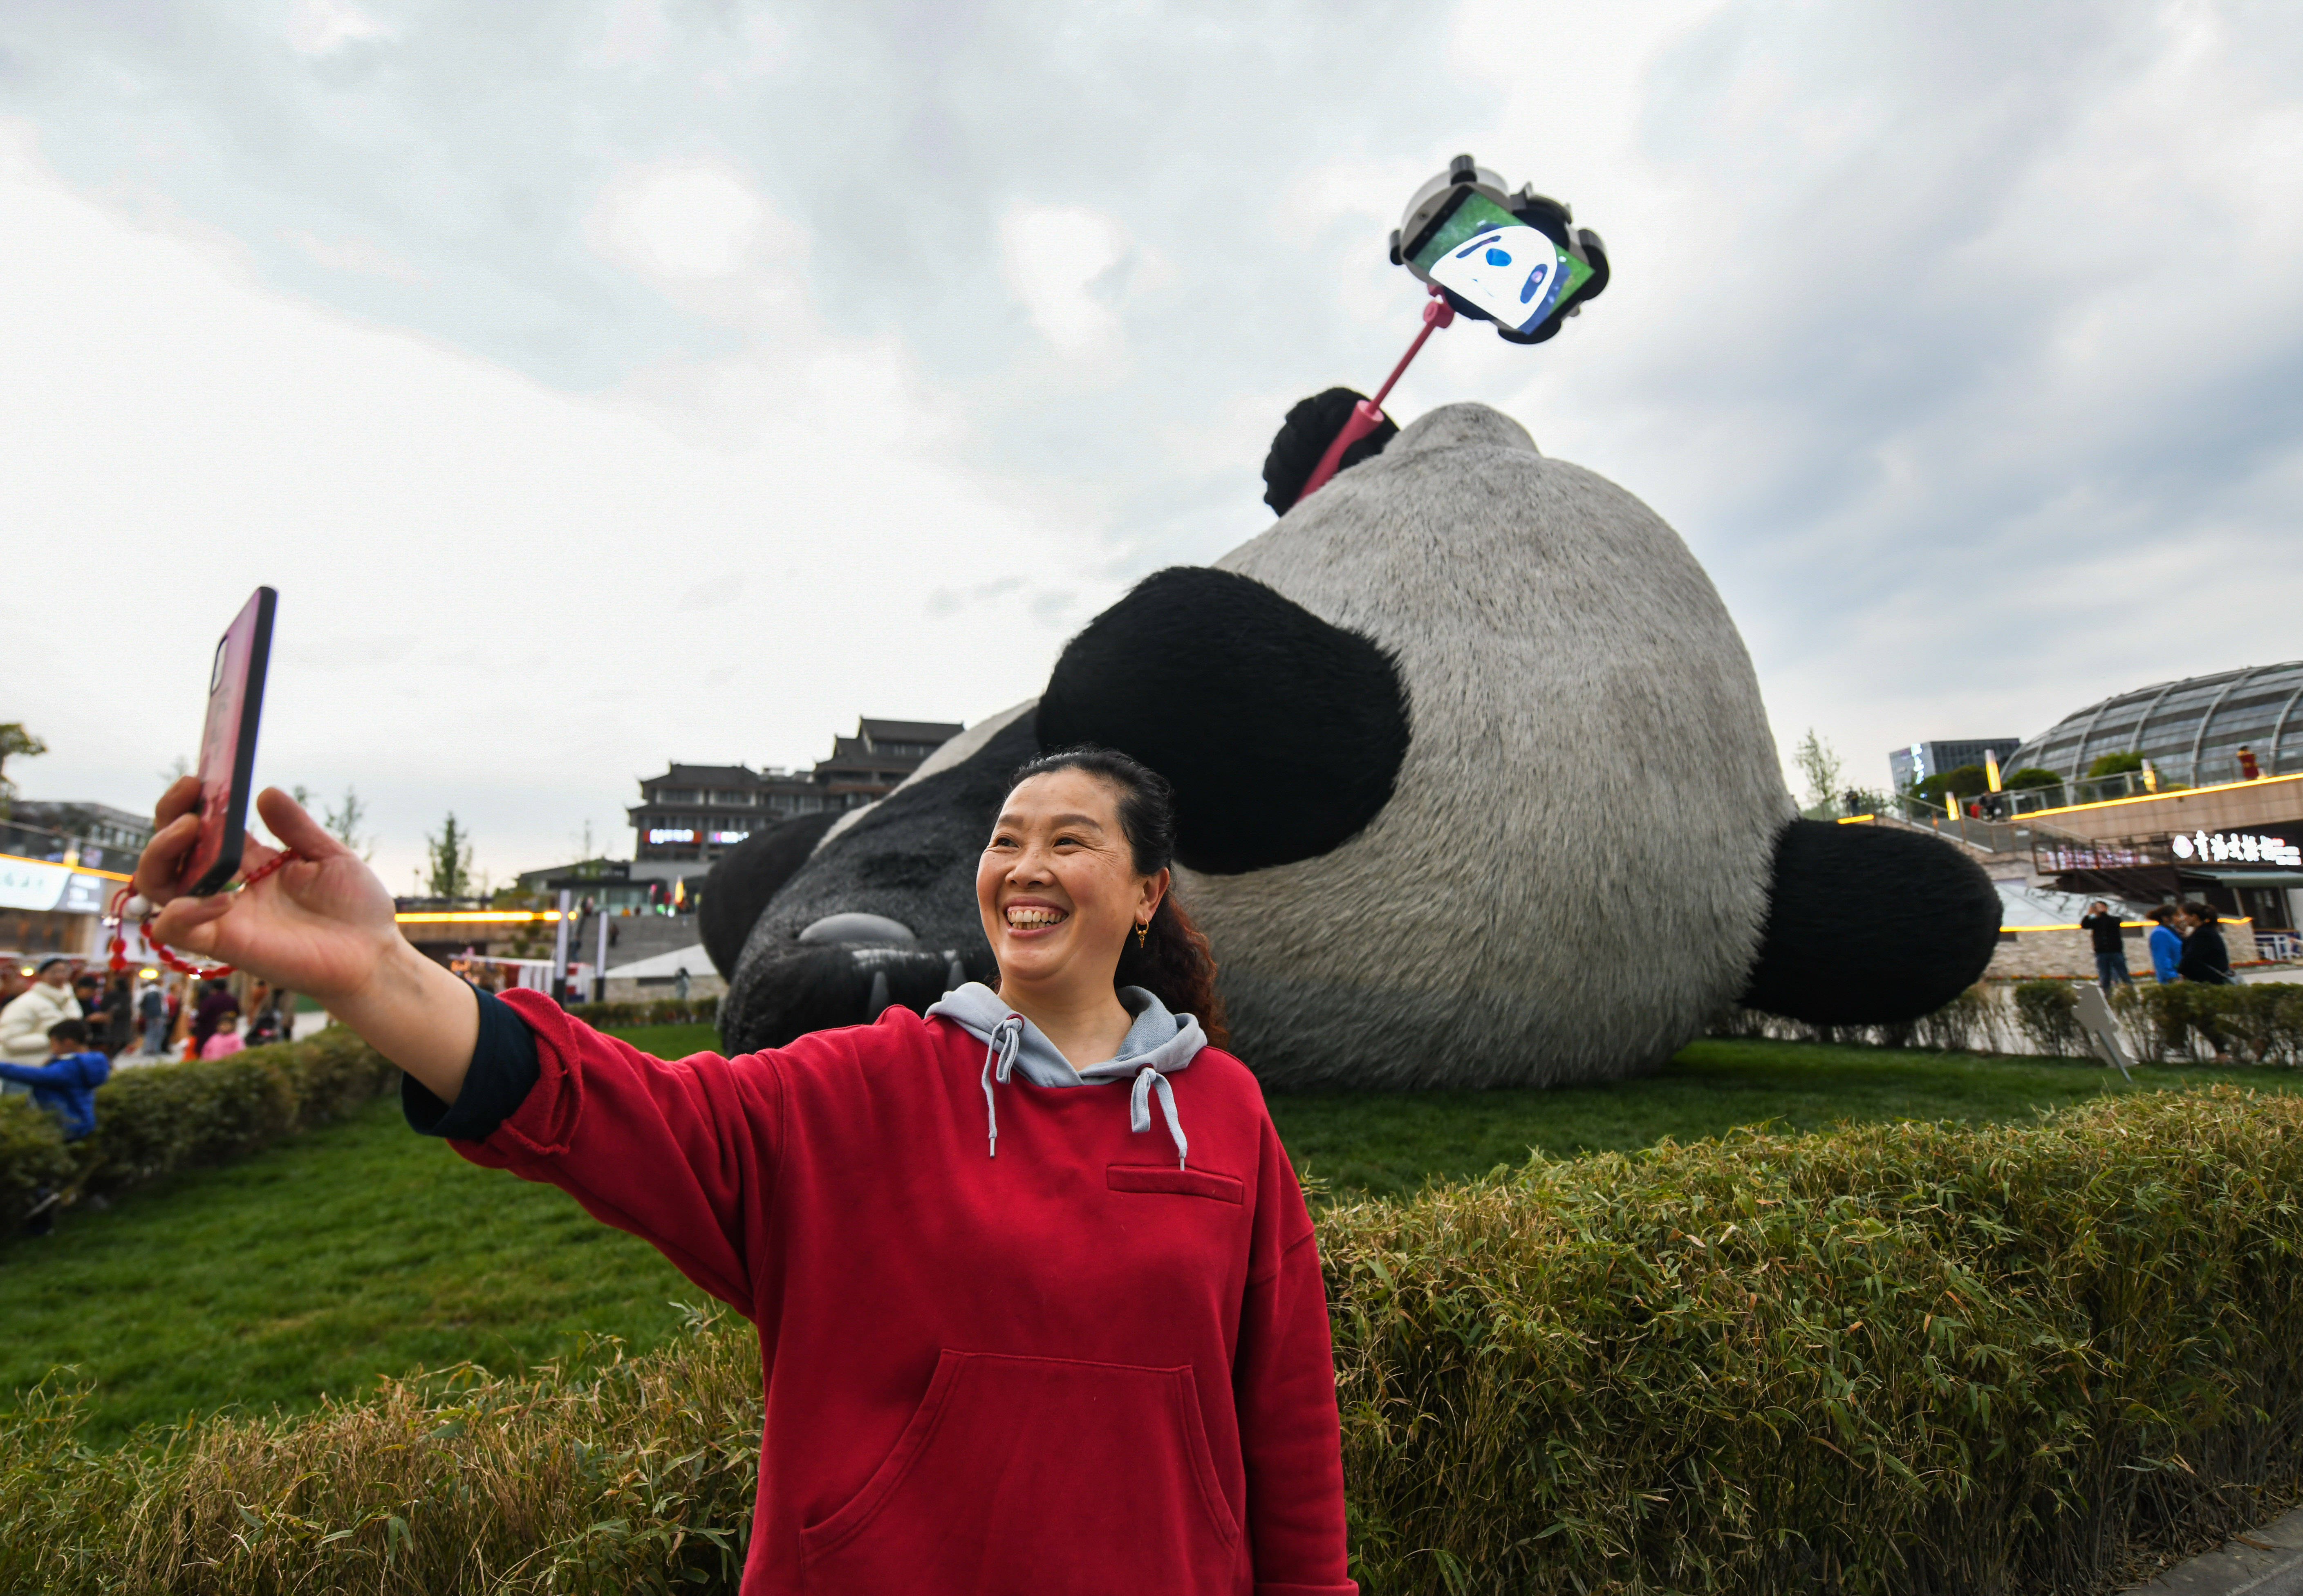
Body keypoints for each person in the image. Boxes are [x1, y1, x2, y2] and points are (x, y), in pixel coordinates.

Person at [129, 757, 1355, 1595]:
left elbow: (1288, 1420)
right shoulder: (860, 1089)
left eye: (1069, 841)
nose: (1024, 866)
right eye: (1005, 842)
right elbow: (613, 1109)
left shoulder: (1223, 1113)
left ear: (1145, 892)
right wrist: (371, 972)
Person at [0, 1017, 113, 1141]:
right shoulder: (90, 1061)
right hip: (82, 1120)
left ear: (68, 1043)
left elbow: (37, 1076)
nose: (51, 1049)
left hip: (69, 1125)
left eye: (53, 1044)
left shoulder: (70, 1067)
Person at [0, 957, 83, 1093]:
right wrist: (54, 1041)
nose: (60, 976)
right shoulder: (26, 1003)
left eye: (64, 971)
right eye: (54, 972)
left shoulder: (69, 1001)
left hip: (55, 1073)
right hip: (24, 1073)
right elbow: (9, 1039)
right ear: (41, 975)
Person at [2079, 900, 2133, 992]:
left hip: (2115, 951)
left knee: (2123, 973)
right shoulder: (2095, 921)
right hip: (2102, 953)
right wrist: (2090, 914)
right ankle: (2107, 994)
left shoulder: (2114, 919)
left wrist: (2101, 913)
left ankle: (2130, 991)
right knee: (2104, 976)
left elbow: (2109, 922)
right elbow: (2084, 925)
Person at [2176, 902, 2235, 984]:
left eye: (2183, 915)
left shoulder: (2203, 934)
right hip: (2211, 980)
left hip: (2210, 982)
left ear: (2194, 917)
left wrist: (2181, 971)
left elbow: (2191, 957)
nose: (2182, 919)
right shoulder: (2206, 931)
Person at [2146, 904, 2184, 985]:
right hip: (2172, 981)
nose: (2180, 919)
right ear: (2166, 918)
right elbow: (2162, 958)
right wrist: (2172, 977)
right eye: (2177, 916)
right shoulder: (2160, 933)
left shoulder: (2171, 932)